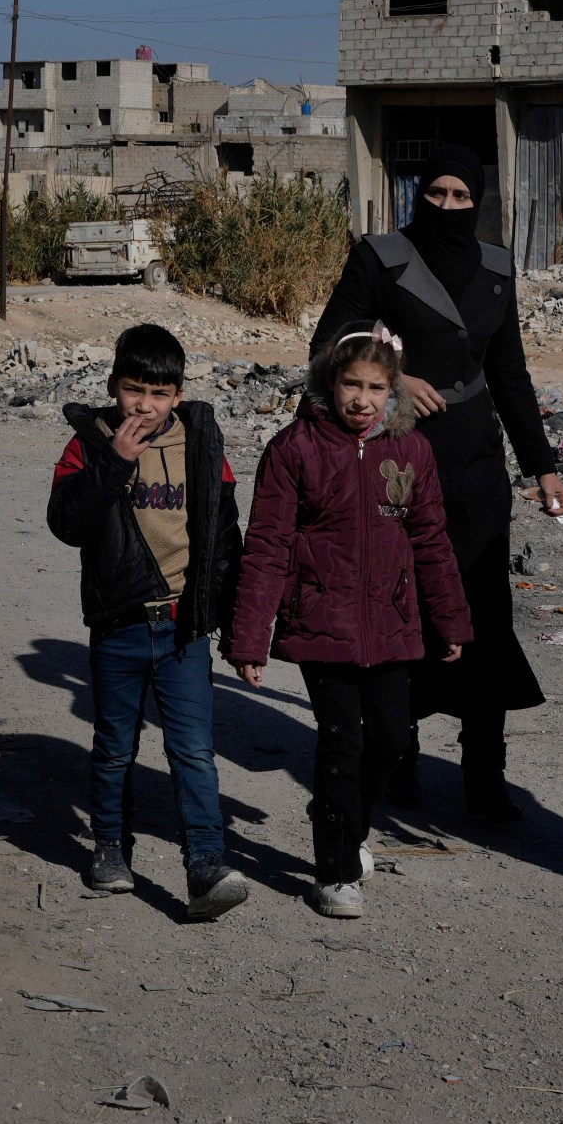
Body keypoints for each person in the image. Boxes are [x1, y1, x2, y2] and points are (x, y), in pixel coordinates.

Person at [308, 145, 563, 821]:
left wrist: (543, 465)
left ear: (478, 201)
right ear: (418, 193)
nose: (448, 207)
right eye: (437, 194)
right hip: (399, 457)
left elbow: (509, 371)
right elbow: (330, 341)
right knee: (407, 605)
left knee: (481, 608)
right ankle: (399, 761)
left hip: (477, 459)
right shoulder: (380, 255)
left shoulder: (497, 267)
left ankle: (486, 773)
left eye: (461, 197)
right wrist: (396, 379)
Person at [226, 325, 472, 919]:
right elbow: (266, 545)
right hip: (319, 621)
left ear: (394, 393)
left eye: (376, 388)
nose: (362, 399)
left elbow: (432, 541)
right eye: (350, 384)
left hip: (391, 621)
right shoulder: (294, 448)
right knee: (342, 742)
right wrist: (249, 638)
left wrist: (450, 622)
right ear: (328, 383)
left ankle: (345, 821)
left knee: (390, 737)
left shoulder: (411, 452)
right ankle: (332, 872)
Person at [47, 323, 251, 920]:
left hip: (182, 629)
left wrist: (231, 624)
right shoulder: (89, 444)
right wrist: (113, 463)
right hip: (119, 626)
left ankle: (205, 865)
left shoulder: (202, 444)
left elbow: (225, 537)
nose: (145, 405)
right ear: (113, 386)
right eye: (134, 390)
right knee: (114, 748)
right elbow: (67, 525)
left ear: (178, 396)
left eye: (160, 394)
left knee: (193, 750)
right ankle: (110, 850)